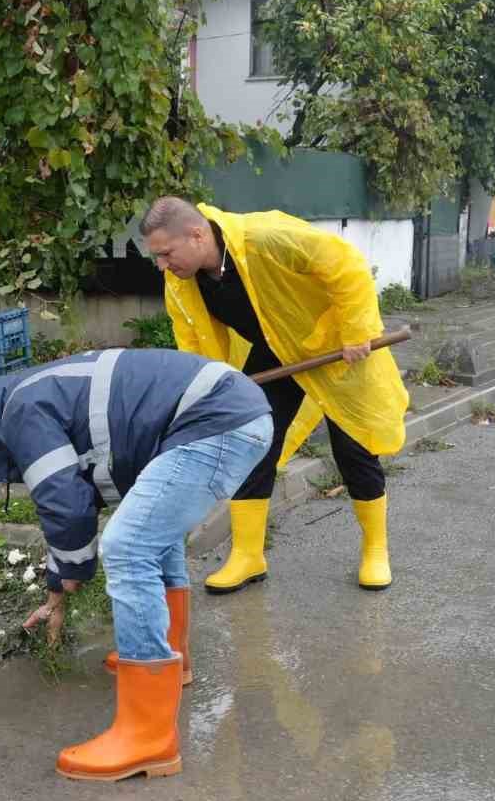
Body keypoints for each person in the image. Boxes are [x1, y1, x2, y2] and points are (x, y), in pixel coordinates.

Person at [0, 348, 272, 782]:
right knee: (154, 536)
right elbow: (79, 495)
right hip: (231, 413)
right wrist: (58, 584)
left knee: (129, 545)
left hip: (216, 421)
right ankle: (171, 657)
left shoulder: (20, 411)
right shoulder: (44, 390)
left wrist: (70, 578)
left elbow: (64, 502)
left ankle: (147, 738)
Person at [140, 197, 409, 595]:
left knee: (353, 446)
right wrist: (206, 388)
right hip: (277, 348)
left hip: (334, 343)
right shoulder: (182, 281)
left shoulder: (266, 237)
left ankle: (375, 549)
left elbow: (345, 264)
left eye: (165, 253)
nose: (162, 265)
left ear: (196, 235)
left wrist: (354, 332)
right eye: (157, 257)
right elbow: (191, 339)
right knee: (250, 439)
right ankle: (249, 555)